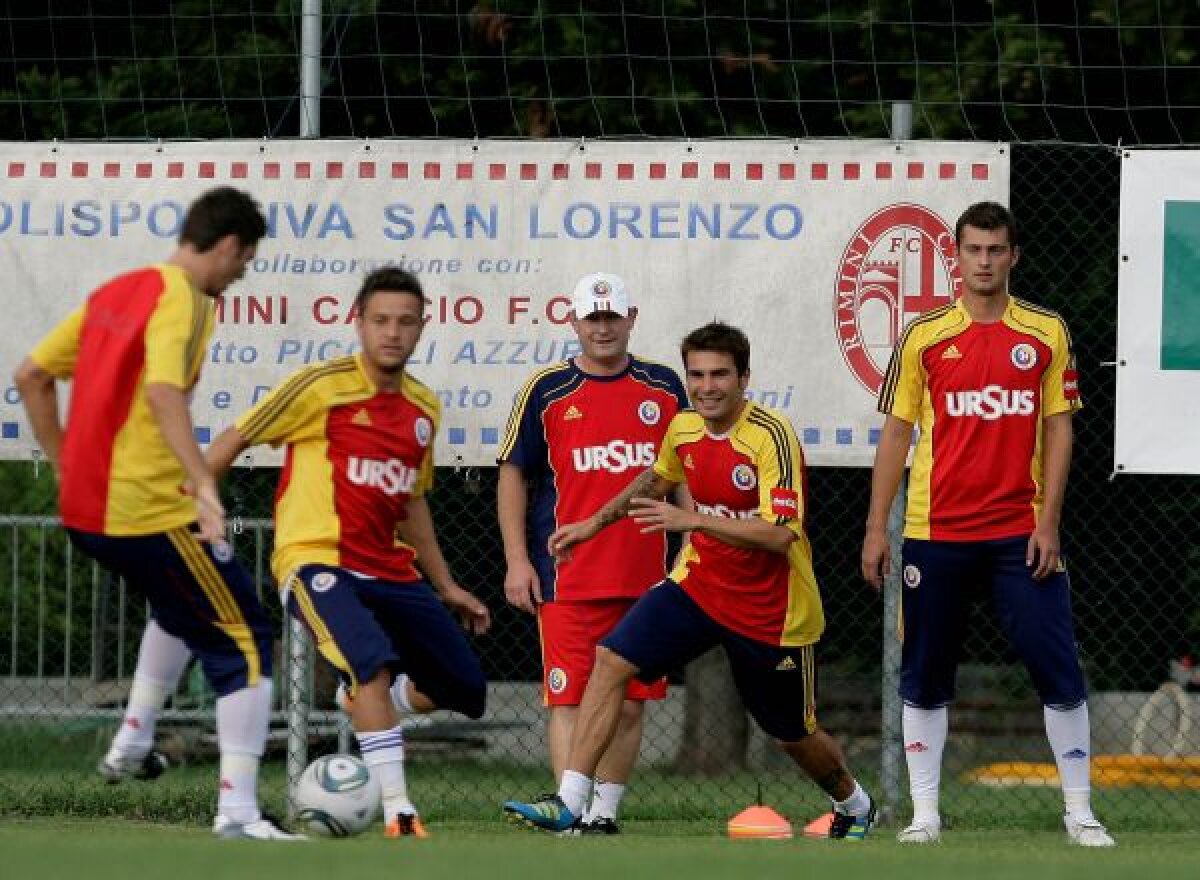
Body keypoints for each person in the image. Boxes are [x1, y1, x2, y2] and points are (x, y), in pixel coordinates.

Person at [503, 321, 876, 839]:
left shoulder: (770, 435)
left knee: (791, 734)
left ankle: (854, 802)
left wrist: (695, 521)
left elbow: (779, 535)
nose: (707, 386)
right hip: (698, 586)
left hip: (772, 611)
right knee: (611, 660)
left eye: (720, 374)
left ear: (744, 377)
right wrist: (593, 523)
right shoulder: (682, 428)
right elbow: (653, 481)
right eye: (696, 375)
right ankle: (570, 800)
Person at [13, 187, 302, 840]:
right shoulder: (183, 299)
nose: (238, 276)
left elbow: (31, 375)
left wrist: (65, 467)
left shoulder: (120, 290)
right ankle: (238, 813)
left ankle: (133, 742)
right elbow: (164, 390)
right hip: (149, 511)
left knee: (180, 607)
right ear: (228, 246)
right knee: (247, 642)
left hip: (89, 515)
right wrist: (203, 485)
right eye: (244, 262)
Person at [861, 201, 1115, 847]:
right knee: (924, 671)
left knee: (1056, 666)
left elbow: (1060, 428)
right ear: (957, 256)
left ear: (1013, 256)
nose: (984, 261)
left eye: (995, 249)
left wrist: (1049, 522)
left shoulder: (1045, 332)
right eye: (973, 249)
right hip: (934, 531)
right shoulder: (923, 337)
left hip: (1019, 533)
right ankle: (924, 815)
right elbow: (896, 434)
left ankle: (1080, 813)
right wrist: (874, 528)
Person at [205, 267, 490, 839]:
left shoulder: (423, 410)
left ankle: (364, 702)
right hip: (317, 560)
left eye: (405, 322)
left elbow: (413, 505)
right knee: (371, 665)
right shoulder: (319, 386)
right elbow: (234, 439)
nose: (393, 332)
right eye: (380, 320)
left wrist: (447, 584)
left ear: (421, 327)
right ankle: (398, 810)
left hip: (390, 566)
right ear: (357, 321)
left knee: (465, 690)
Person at [497, 272, 688, 833]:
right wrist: (516, 559)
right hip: (567, 576)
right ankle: (570, 814)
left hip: (646, 575)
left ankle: (603, 814)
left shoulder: (664, 386)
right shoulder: (546, 390)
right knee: (571, 701)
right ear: (573, 321)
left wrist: (690, 542)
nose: (602, 328)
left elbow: (684, 470)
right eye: (592, 318)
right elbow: (513, 474)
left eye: (612, 317)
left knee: (630, 703)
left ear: (631, 318)